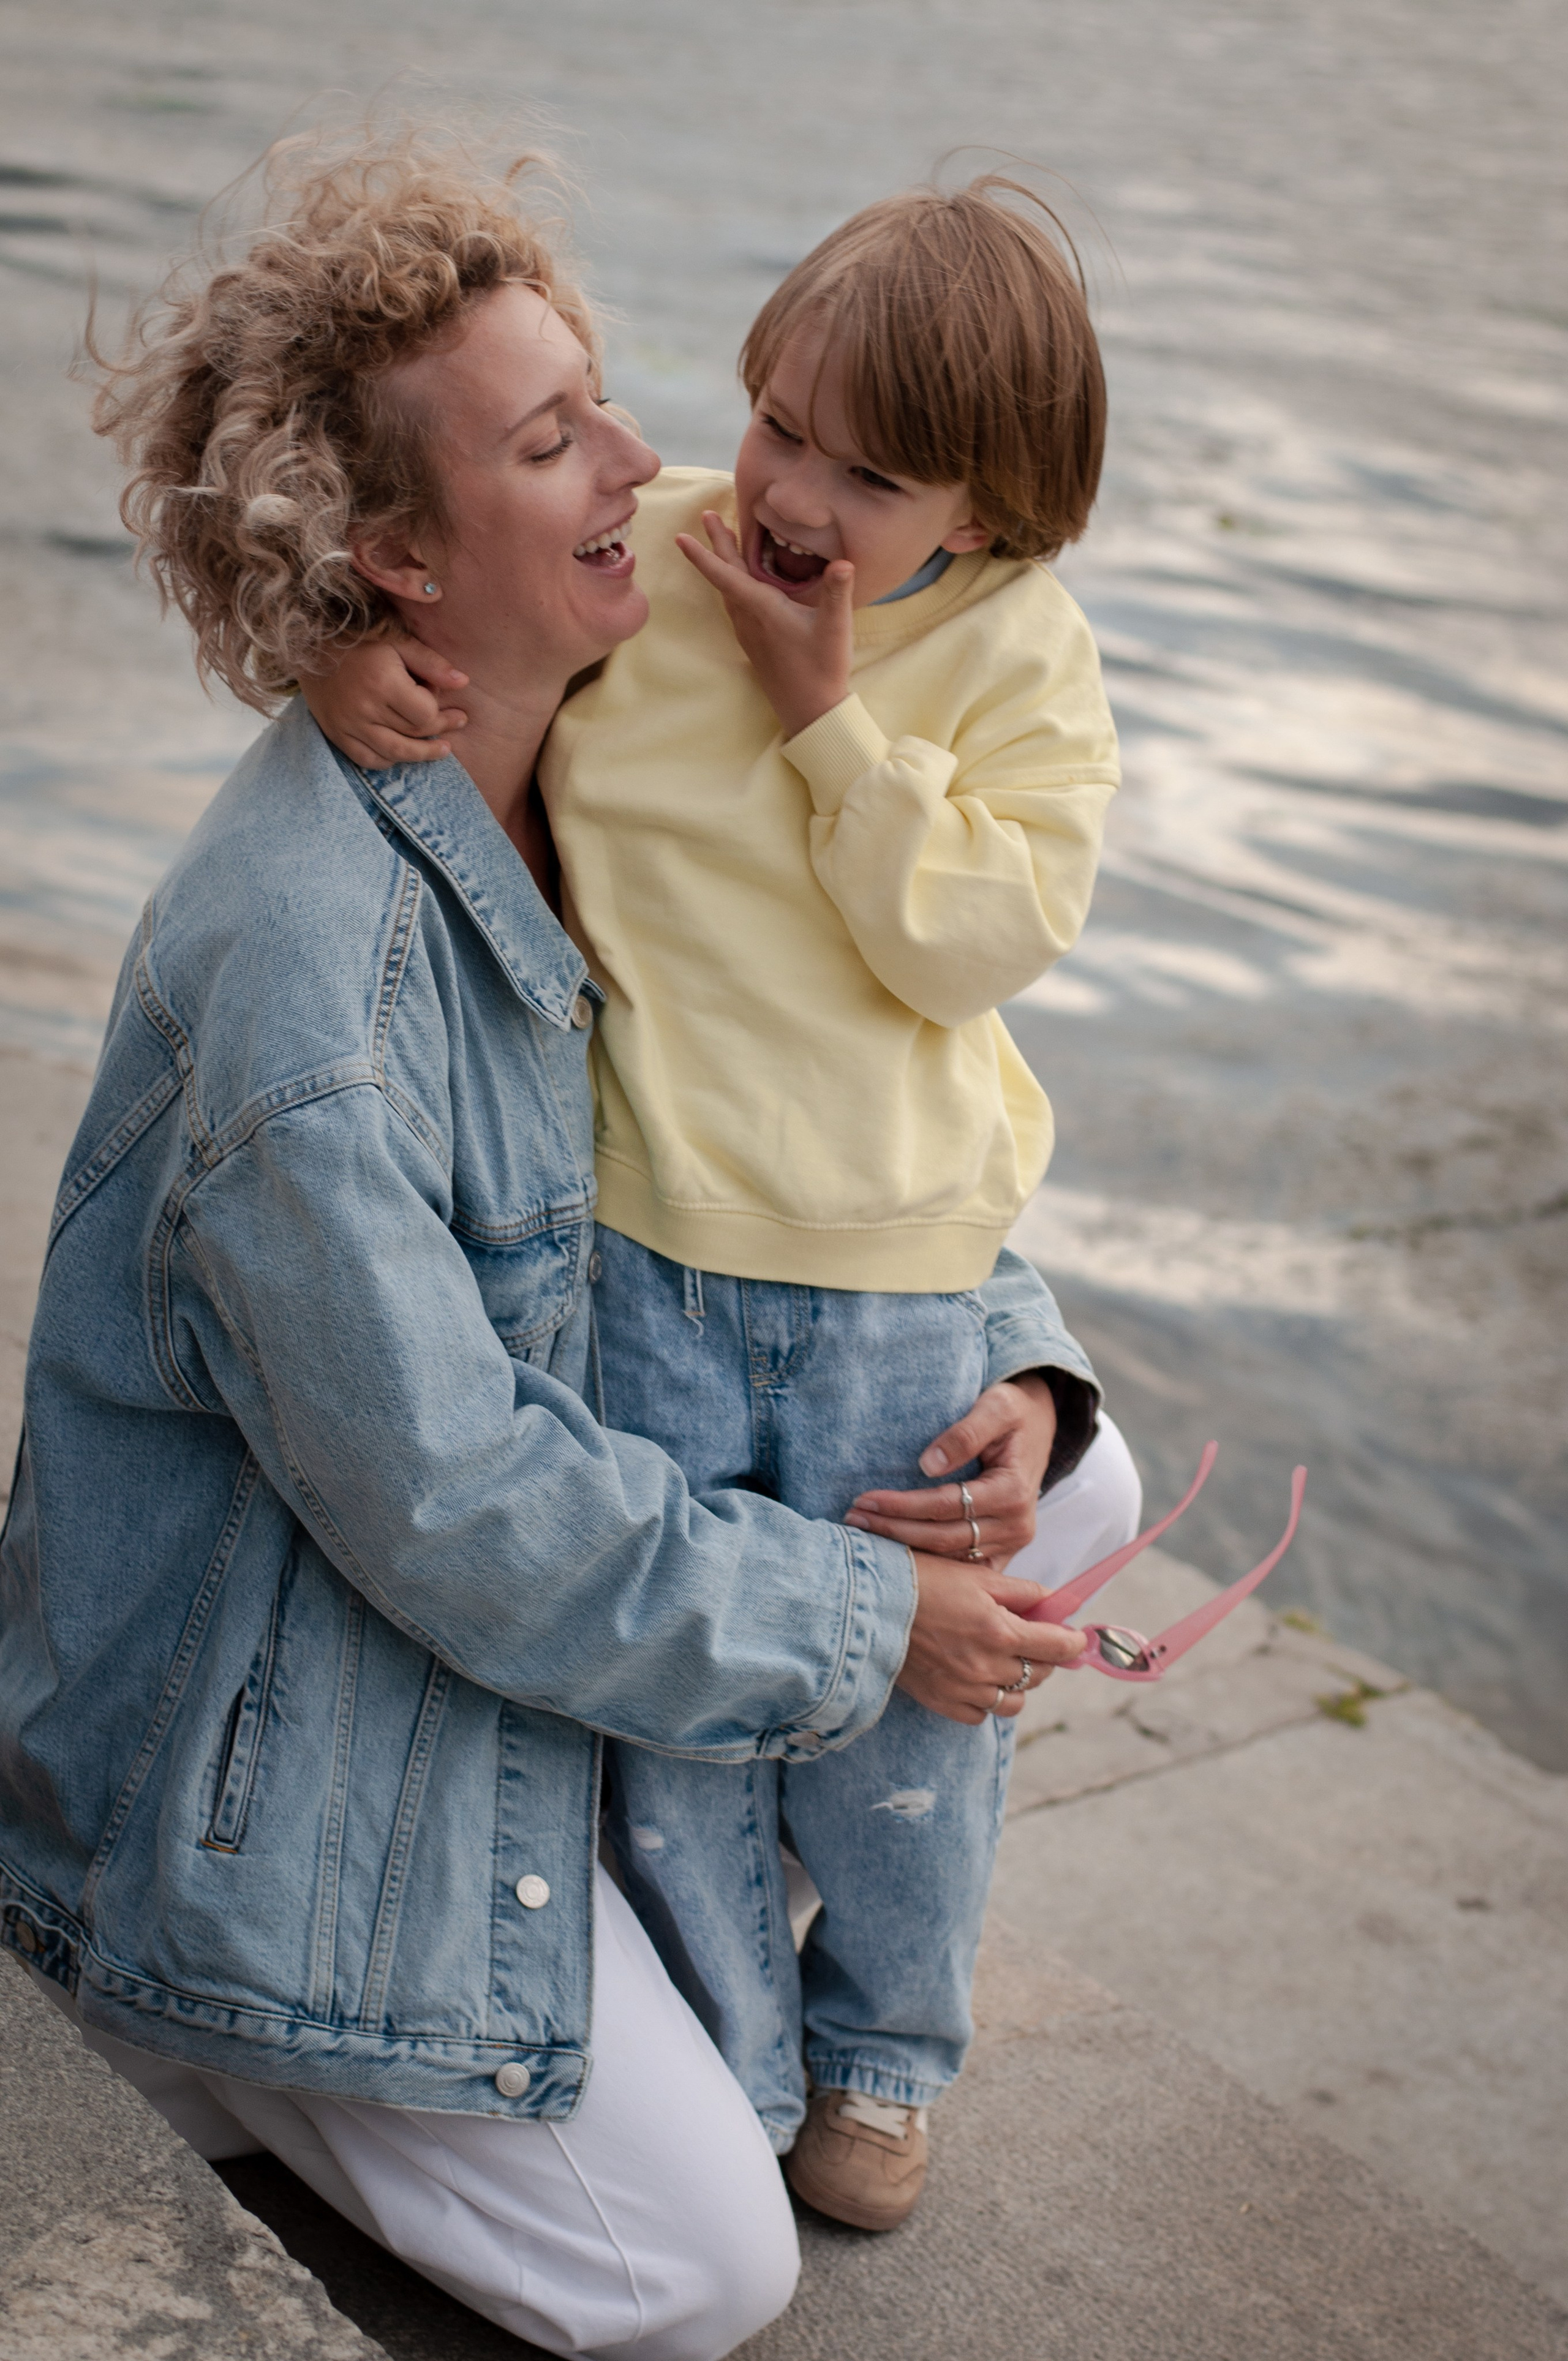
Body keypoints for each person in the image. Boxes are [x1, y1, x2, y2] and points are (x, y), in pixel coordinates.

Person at [0, 134, 1127, 2360]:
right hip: (292, 1716)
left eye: (609, 393)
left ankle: (691, 1906)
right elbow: (453, 1502)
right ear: (395, 559)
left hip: (489, 1570)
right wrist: (855, 1618)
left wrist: (1024, 1369)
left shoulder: (604, 729)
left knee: (1060, 1485)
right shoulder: (313, 980)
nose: (663, 460)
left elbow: (823, 1105)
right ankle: (211, 2022)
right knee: (701, 2274)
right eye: (554, 438)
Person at [305, 175, 1138, 2234]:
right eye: (776, 419)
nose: (787, 488)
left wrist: (829, 714)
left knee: (910, 1726)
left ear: (998, 502)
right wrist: (347, 670)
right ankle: (735, 2045)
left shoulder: (1021, 660)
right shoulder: (673, 546)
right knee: (683, 1717)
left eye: (868, 471)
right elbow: (440, 578)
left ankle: (881, 2058)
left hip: (888, 1281)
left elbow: (969, 949)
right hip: (653, 1249)